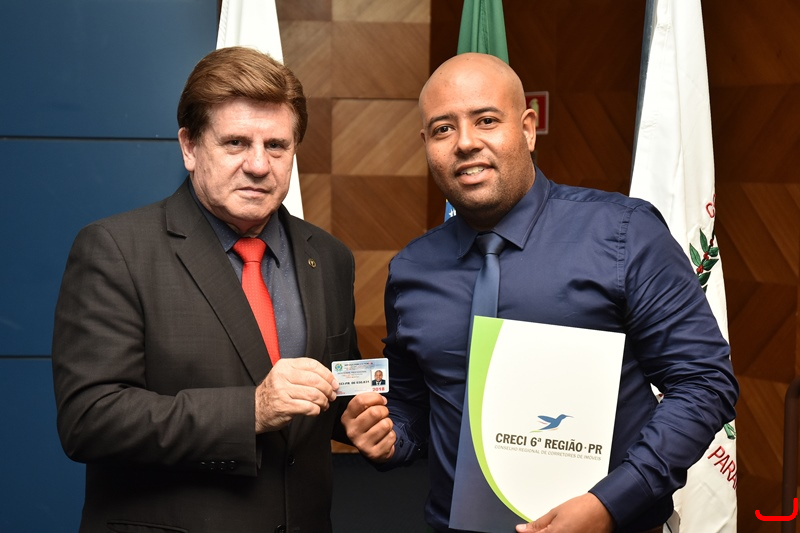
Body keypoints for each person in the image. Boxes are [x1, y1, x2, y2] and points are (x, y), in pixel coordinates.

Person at [341, 53, 738, 533]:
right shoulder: (412, 270)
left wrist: (610, 504)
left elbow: (704, 382)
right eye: (443, 129)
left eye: (486, 120)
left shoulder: (623, 233)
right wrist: (388, 436)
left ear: (528, 129)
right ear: (427, 145)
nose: (465, 142)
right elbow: (414, 408)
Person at [52, 46, 359, 533]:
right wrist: (250, 411)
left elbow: (330, 385)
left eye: (276, 146)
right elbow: (89, 419)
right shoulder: (115, 249)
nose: (259, 165)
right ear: (190, 147)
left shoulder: (329, 257)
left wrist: (352, 418)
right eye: (236, 143)